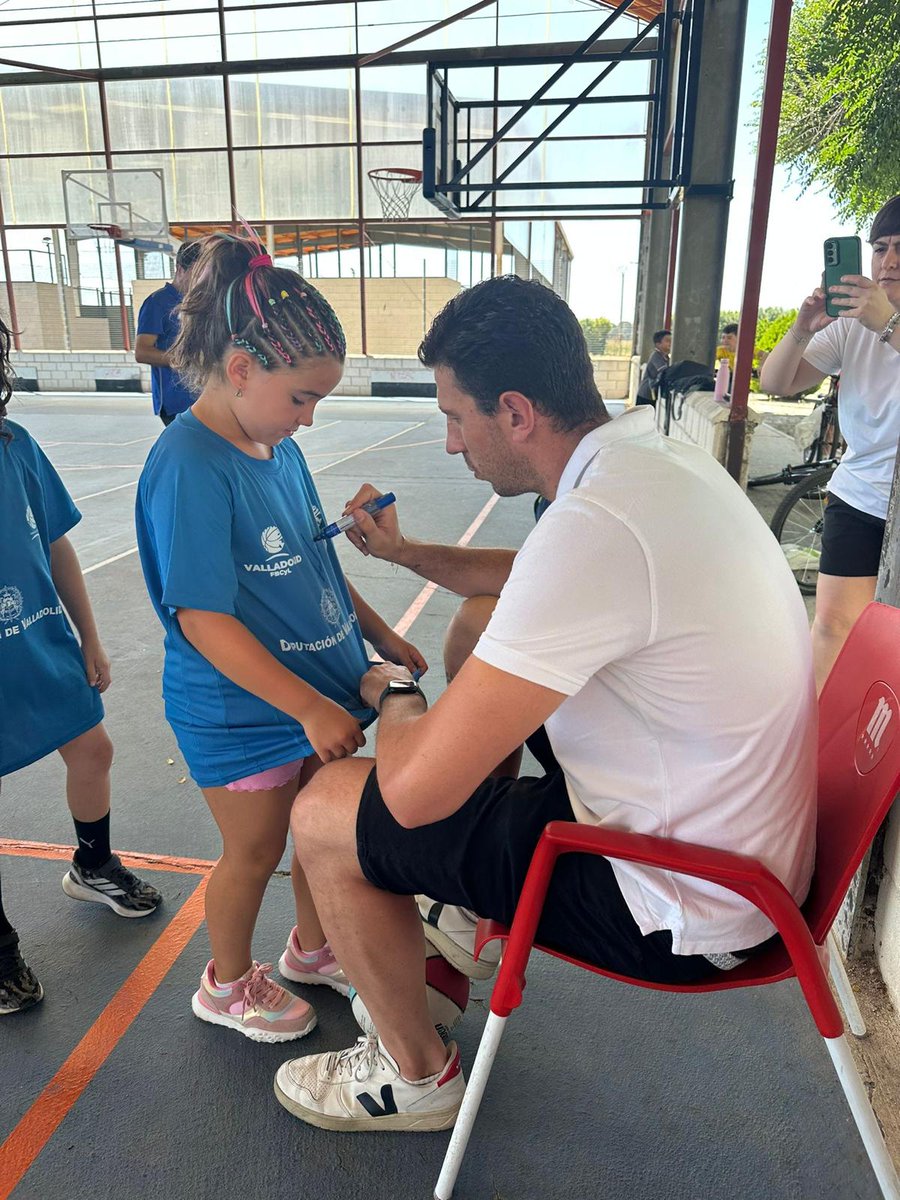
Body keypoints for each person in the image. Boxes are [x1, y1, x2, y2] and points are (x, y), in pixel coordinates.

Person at [271, 275, 817, 1133]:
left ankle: (415, 1077)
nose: (451, 444)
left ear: (516, 413)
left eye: (457, 417)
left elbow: (409, 795)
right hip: (729, 839)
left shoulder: (596, 522)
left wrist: (398, 691)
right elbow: (531, 584)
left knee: (330, 810)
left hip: (682, 901)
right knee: (483, 625)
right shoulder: (653, 463)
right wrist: (410, 554)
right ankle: (456, 891)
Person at [135, 230, 426, 1043]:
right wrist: (305, 706)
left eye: (318, 401)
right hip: (242, 708)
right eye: (301, 398)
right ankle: (226, 984)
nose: (309, 417)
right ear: (239, 369)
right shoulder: (190, 463)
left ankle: (312, 947)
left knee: (314, 831)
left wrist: (377, 635)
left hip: (309, 699)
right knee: (254, 852)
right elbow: (202, 617)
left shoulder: (277, 448)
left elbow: (314, 560)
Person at [0, 315, 161, 1017]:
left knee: (93, 747)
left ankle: (92, 863)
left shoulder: (15, 445)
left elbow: (57, 544)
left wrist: (90, 636)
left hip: (37, 639)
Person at [760, 195, 900, 692]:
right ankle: (817, 747)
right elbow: (777, 383)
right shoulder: (851, 325)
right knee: (832, 627)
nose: (889, 261)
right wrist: (801, 328)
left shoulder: (877, 319)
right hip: (860, 492)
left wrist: (887, 322)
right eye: (880, 247)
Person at [135, 240, 202, 426]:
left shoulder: (199, 303)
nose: (201, 281)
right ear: (180, 269)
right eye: (196, 274)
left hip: (202, 396)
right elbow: (142, 352)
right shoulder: (158, 302)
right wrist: (187, 360)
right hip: (176, 401)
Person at [635, 328, 671, 405]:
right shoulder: (656, 356)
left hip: (652, 394)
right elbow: (665, 371)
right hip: (646, 394)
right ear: (658, 344)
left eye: (671, 340)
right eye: (667, 341)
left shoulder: (666, 357)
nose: (670, 343)